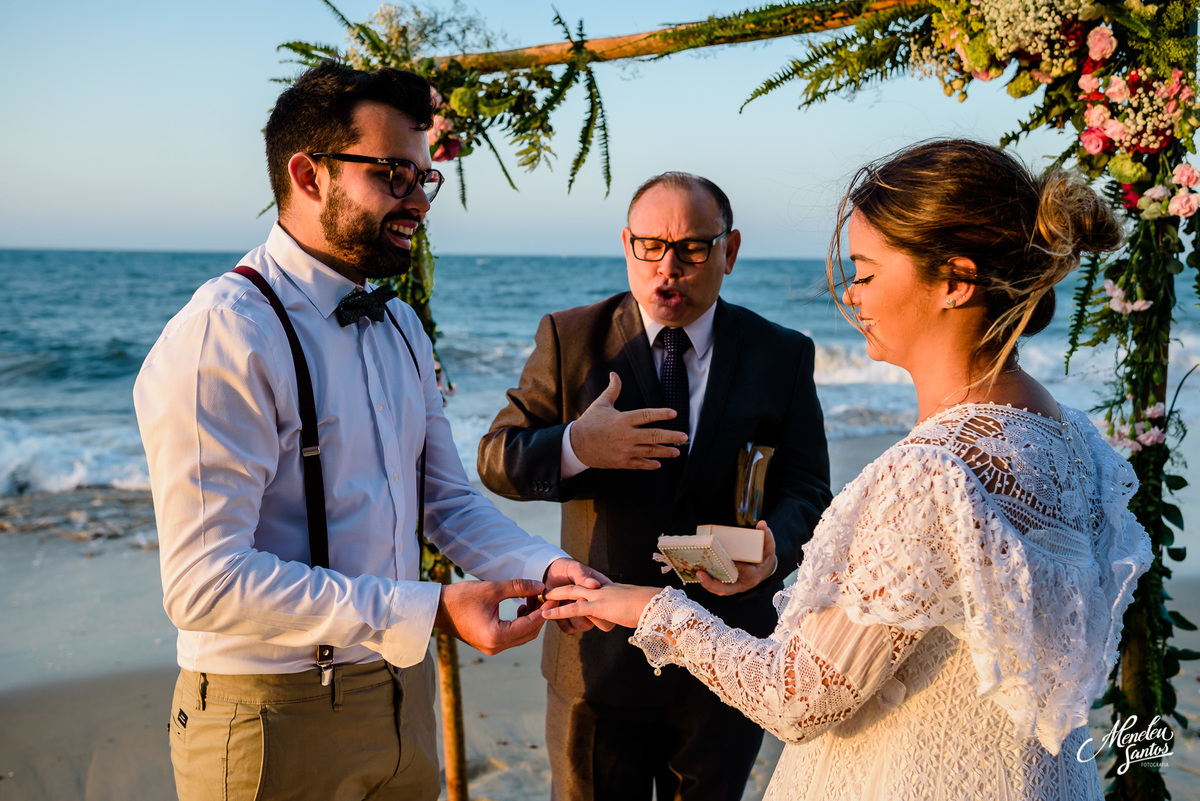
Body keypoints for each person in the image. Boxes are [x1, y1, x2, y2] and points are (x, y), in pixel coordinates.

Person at [542, 139, 1154, 800]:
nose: (850, 291)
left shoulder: (933, 474)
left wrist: (647, 606)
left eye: (864, 268)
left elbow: (797, 697)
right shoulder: (1075, 444)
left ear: (954, 279)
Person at [134, 62, 603, 801]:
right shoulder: (224, 334)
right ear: (308, 174)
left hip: (399, 696)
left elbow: (444, 501)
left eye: (425, 178)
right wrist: (430, 609)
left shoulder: (400, 326)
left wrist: (545, 569)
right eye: (394, 175)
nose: (419, 200)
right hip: (268, 716)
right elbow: (204, 583)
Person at [477, 171, 832, 801]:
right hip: (595, 651)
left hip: (726, 650)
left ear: (731, 249)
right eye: (650, 245)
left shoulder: (781, 353)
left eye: (693, 248)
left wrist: (775, 546)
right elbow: (496, 458)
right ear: (626, 244)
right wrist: (575, 447)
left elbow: (806, 485)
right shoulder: (571, 339)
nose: (669, 266)